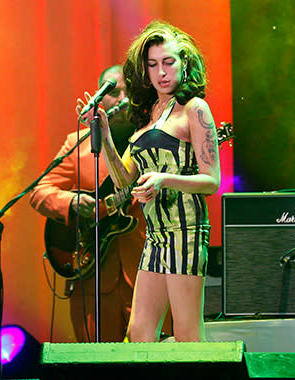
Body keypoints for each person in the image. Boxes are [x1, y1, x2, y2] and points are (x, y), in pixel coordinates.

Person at [81, 21, 220, 342]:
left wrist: (164, 179)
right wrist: (102, 132)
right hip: (155, 236)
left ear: (185, 62)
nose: (162, 72)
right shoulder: (148, 114)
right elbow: (123, 181)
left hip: (185, 231)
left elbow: (212, 180)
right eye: (153, 65)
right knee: (139, 333)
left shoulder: (194, 109)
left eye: (169, 62)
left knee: (186, 333)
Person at [30, 65, 166, 342]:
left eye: (129, 91)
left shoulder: (157, 139)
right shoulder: (76, 144)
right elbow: (39, 192)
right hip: (92, 275)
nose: (122, 99)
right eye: (113, 92)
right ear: (98, 98)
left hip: (145, 272)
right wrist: (70, 202)